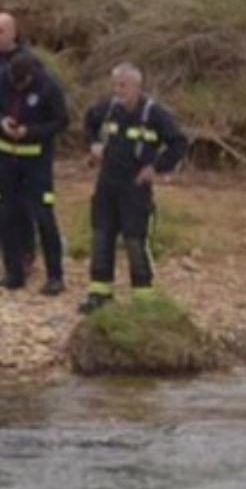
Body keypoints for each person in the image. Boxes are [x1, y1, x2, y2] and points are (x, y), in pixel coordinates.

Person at [80, 63, 189, 315]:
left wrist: (156, 167)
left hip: (135, 186)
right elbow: (88, 125)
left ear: (137, 87)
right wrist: (94, 145)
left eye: (123, 85)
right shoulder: (107, 110)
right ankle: (99, 293)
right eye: (115, 85)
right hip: (107, 182)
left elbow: (179, 143)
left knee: (135, 240)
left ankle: (143, 296)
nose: (118, 91)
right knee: (101, 236)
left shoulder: (154, 114)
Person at [0, 12, 56, 278]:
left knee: (22, 202)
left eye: (0, 31)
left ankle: (25, 253)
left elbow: (48, 108)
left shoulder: (31, 63)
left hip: (21, 147)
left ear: (14, 32)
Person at [0, 51, 70, 294]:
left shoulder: (48, 86)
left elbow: (61, 122)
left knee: (43, 216)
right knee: (7, 215)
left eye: (23, 83)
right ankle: (13, 273)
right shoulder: (0, 80)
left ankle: (55, 275)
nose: (18, 87)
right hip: (5, 159)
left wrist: (30, 131)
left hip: (36, 161)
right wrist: (0, 122)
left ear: (32, 75)